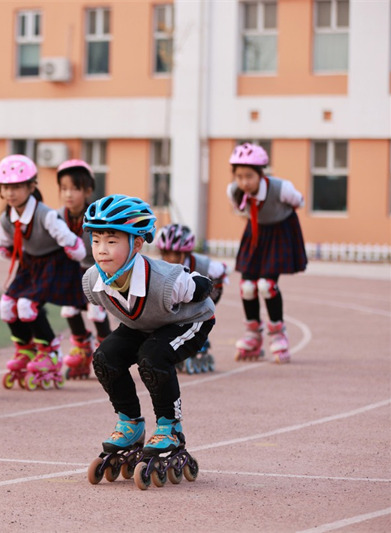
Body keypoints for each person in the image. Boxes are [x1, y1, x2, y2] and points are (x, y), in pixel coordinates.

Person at [81, 195, 215, 484]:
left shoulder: (167, 281)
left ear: (137, 244)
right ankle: (130, 423)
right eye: (96, 240)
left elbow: (202, 286)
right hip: (143, 324)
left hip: (188, 321)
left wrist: (195, 286)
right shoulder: (93, 280)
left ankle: (171, 427)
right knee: (105, 357)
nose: (102, 250)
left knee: (153, 358)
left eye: (112, 241)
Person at [0, 154, 87, 390]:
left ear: (32, 186)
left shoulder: (45, 214)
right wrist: (7, 251)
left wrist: (76, 253)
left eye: (17, 187)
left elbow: (71, 241)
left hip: (54, 264)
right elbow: (5, 245)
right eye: (6, 187)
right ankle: (25, 348)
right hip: (29, 265)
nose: (11, 193)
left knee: (26, 305)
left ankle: (50, 350)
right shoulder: (6, 217)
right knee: (6, 304)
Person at [227, 143, 307, 364]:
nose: (244, 182)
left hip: (279, 233)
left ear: (261, 174)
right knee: (247, 287)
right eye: (239, 176)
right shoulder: (234, 191)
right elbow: (242, 210)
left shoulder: (281, 188)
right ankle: (253, 334)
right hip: (255, 234)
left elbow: (299, 202)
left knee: (266, 285)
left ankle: (278, 333)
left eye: (249, 176)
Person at [55, 159, 111, 379]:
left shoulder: (97, 216)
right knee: (68, 309)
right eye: (64, 188)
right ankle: (81, 346)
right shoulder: (57, 217)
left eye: (75, 189)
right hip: (71, 272)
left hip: (96, 271)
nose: (69, 194)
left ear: (88, 190)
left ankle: (108, 349)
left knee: (96, 311)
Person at [155, 223, 228, 373]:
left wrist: (213, 290)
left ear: (185, 253)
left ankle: (199, 336)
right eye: (166, 253)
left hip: (200, 300)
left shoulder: (203, 264)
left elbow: (222, 270)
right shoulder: (158, 266)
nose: (170, 259)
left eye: (175, 254)